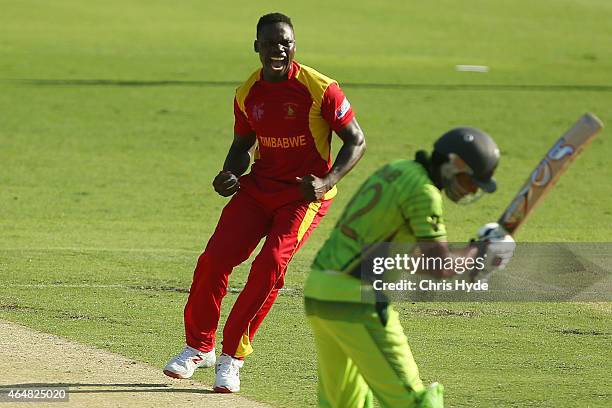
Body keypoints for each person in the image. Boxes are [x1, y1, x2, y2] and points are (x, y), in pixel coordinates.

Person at [163, 12, 366, 393]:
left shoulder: (321, 88)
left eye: (286, 43)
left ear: (294, 46)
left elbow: (356, 141)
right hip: (258, 188)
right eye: (271, 43)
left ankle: (231, 358)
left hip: (303, 197)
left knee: (271, 264)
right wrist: (228, 173)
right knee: (214, 259)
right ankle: (198, 347)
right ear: (257, 47)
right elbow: (241, 147)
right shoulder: (247, 92)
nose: (279, 49)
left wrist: (326, 181)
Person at [303, 127, 515, 407]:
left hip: (319, 293)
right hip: (356, 301)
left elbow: (401, 256)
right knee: (412, 402)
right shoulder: (424, 192)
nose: (473, 189)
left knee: (342, 403)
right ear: (453, 164)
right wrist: (482, 249)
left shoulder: (398, 170)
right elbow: (439, 265)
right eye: (471, 181)